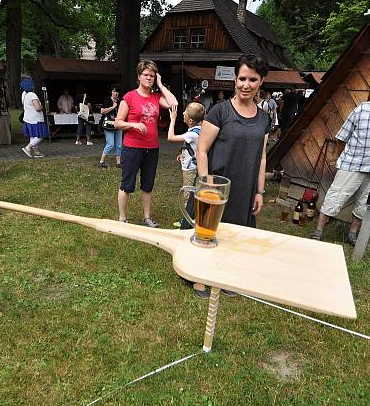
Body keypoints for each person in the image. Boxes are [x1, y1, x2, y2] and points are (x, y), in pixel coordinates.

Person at [196, 53, 270, 298]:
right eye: (242, 78)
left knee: (236, 234)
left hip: (245, 187)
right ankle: (200, 278)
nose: (246, 85)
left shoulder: (264, 118)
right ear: (235, 80)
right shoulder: (220, 111)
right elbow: (202, 149)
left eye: (253, 79)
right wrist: (205, 183)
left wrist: (259, 191)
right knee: (209, 230)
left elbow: (261, 157)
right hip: (216, 185)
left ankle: (227, 276)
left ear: (261, 82)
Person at [310, 75, 370, 245]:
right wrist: (344, 159)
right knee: (336, 197)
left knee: (365, 203)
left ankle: (352, 234)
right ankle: (318, 232)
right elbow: (342, 137)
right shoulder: (362, 110)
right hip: (352, 164)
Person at [114, 60, 177, 226]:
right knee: (127, 184)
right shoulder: (129, 97)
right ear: (139, 77)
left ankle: (147, 217)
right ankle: (122, 218)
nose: (149, 78)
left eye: (152, 75)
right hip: (132, 147)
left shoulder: (156, 97)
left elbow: (173, 103)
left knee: (148, 185)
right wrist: (133, 124)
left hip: (152, 148)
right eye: (146, 75)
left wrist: (161, 85)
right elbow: (117, 122)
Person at [167, 101, 204, 231]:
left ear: (190, 120)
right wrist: (184, 154)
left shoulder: (192, 134)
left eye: (185, 113)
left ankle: (187, 221)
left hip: (190, 168)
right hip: (194, 165)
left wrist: (172, 119)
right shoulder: (200, 129)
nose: (182, 113)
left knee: (188, 193)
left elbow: (170, 137)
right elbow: (196, 148)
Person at [20, 77, 48, 158]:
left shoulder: (24, 94)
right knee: (40, 135)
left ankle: (36, 152)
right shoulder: (32, 95)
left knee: (33, 136)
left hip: (28, 118)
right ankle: (28, 148)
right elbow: (38, 108)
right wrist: (42, 106)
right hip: (36, 119)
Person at [98, 87, 122, 168]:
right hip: (108, 125)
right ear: (111, 92)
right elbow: (102, 111)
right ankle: (101, 161)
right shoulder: (108, 100)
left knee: (119, 144)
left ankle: (118, 163)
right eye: (114, 91)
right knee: (110, 144)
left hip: (117, 124)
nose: (116, 93)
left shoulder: (120, 101)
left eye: (117, 91)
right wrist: (113, 107)